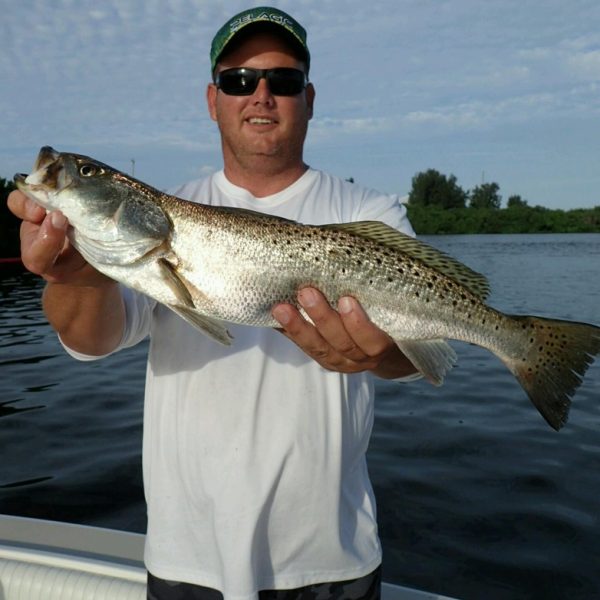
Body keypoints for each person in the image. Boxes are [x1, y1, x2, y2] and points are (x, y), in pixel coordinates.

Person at [8, 7, 418, 600]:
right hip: (187, 559)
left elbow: (408, 359)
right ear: (212, 98)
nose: (261, 95)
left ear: (309, 97)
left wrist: (382, 356)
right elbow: (88, 341)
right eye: (238, 80)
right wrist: (78, 272)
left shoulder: (373, 215)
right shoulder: (171, 209)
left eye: (283, 81)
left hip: (330, 559)